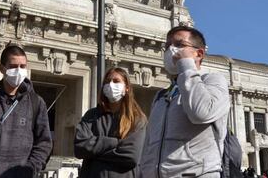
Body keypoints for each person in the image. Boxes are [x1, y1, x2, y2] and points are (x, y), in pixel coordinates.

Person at [139, 25, 230, 178]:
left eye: (179, 45)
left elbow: (201, 112)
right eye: (167, 46)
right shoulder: (161, 96)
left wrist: (187, 67)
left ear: (199, 53)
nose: (171, 50)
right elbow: (149, 143)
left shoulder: (213, 81)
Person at [0, 45, 52, 178]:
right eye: (13, 66)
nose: (18, 71)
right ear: (2, 68)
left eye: (22, 66)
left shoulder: (37, 102)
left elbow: (44, 144)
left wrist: (29, 170)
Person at [74, 67, 147, 178]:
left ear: (126, 88)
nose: (111, 85)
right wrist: (115, 143)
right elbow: (80, 148)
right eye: (107, 82)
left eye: (116, 81)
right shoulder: (91, 116)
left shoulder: (137, 119)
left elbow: (131, 156)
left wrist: (94, 153)